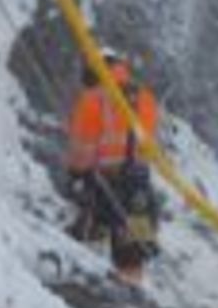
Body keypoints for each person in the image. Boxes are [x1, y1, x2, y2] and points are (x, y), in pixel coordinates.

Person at [66, 49, 160, 285]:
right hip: (140, 182)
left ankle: (85, 284)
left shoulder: (94, 99)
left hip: (106, 180)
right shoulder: (145, 98)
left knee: (87, 231)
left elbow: (83, 148)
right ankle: (132, 288)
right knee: (134, 247)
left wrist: (76, 175)